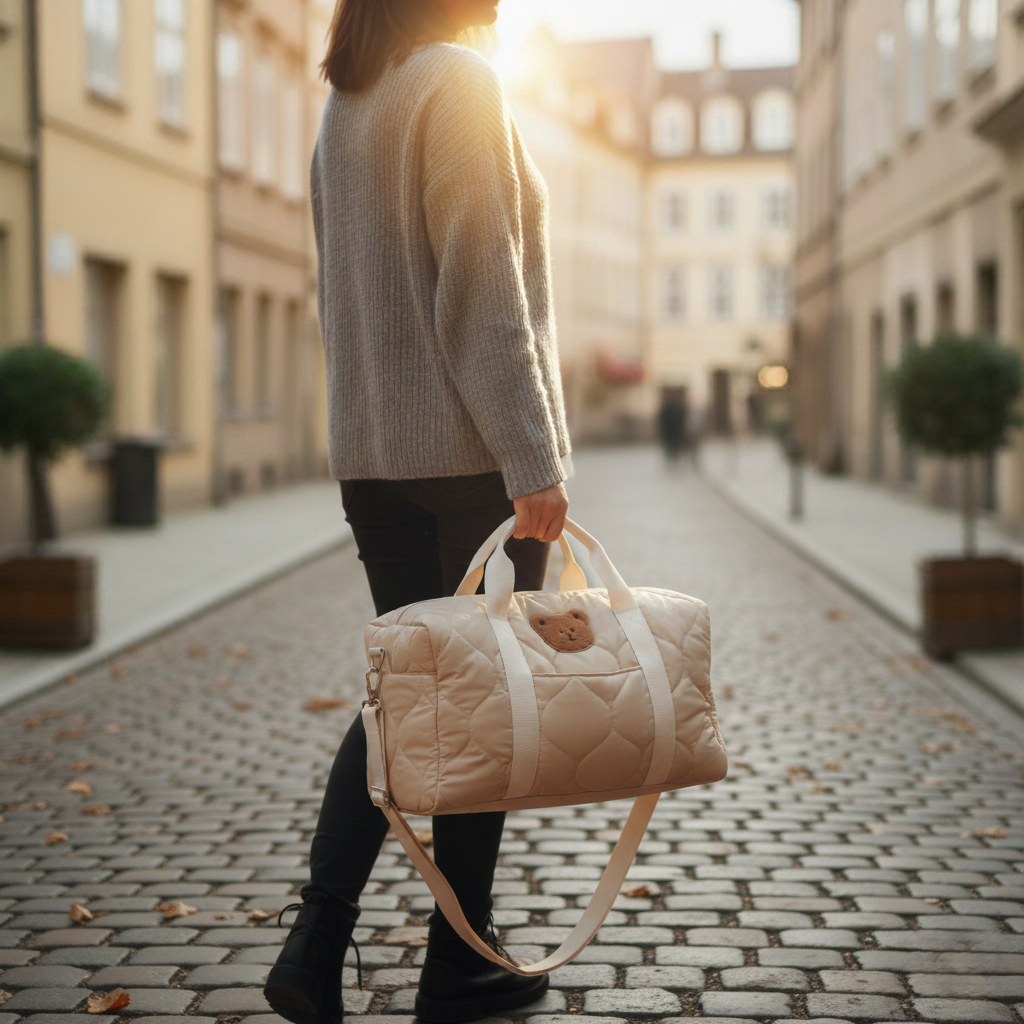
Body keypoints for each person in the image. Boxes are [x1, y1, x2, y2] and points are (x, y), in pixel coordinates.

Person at [263, 1, 572, 1023]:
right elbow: (484, 290)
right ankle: (461, 961)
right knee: (476, 710)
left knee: (401, 696)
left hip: (374, 461)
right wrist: (532, 460)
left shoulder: (346, 105)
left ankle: (316, 943)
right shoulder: (458, 81)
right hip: (465, 464)